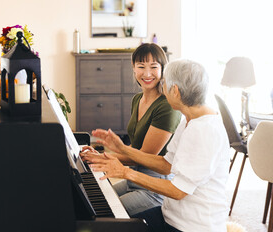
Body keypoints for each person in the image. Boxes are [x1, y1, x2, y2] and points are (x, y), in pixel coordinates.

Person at [87, 59, 230, 231]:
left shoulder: (205, 131)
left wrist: (125, 172)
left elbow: (178, 191)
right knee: (111, 224)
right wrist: (123, 149)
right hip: (170, 215)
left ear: (175, 90)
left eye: (164, 84)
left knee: (109, 227)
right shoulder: (189, 119)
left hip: (191, 226)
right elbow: (165, 165)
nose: (161, 89)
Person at [80, 43, 181, 216]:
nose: (147, 74)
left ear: (163, 69)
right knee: (90, 201)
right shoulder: (137, 99)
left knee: (103, 214)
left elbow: (143, 157)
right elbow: (135, 151)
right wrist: (100, 157)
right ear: (133, 68)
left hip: (154, 187)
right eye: (141, 66)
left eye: (154, 67)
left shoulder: (166, 106)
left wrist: (101, 158)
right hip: (133, 179)